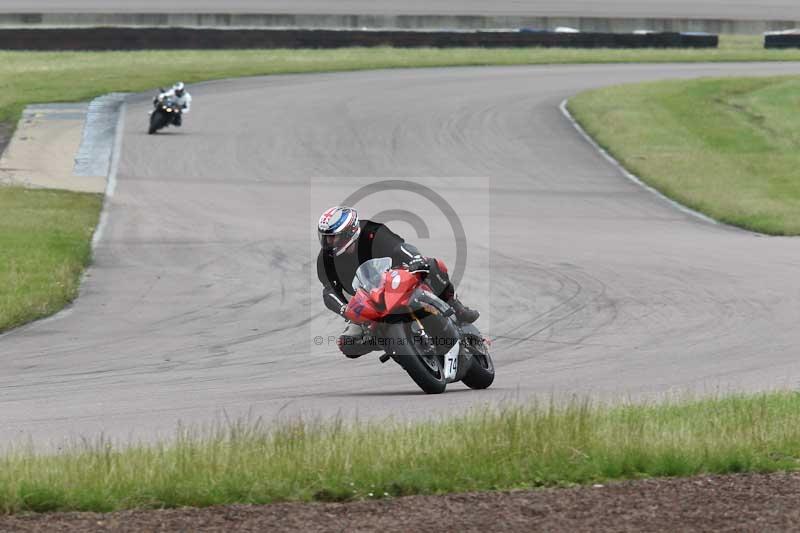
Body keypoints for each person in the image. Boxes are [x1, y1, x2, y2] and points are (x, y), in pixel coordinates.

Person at [316, 205, 479, 358]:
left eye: (333, 238)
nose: (328, 243)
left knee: (432, 265)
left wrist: (415, 259)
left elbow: (398, 247)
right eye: (325, 238)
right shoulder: (324, 261)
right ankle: (385, 340)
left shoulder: (372, 232)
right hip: (367, 299)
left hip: (396, 278)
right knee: (347, 344)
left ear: (349, 232)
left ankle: (456, 306)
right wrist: (344, 309)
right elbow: (329, 291)